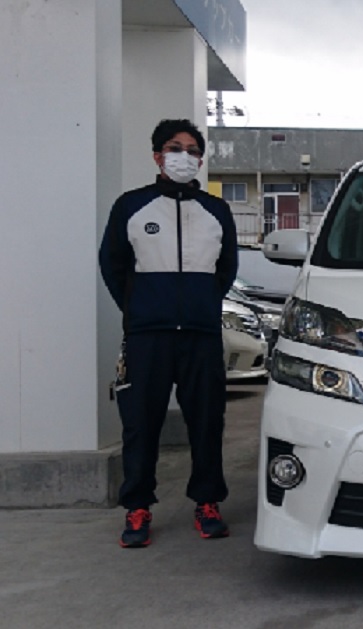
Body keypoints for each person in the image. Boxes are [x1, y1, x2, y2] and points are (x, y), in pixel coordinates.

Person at [99, 119, 238, 548]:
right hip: (148, 336)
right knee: (140, 424)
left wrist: (201, 304)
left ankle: (207, 502)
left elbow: (226, 269)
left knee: (207, 422)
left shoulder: (216, 211)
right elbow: (113, 265)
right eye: (175, 148)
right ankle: (137, 507)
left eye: (193, 150)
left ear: (200, 160)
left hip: (200, 335)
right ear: (158, 156)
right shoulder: (132, 206)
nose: (185, 156)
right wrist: (140, 310)